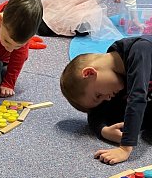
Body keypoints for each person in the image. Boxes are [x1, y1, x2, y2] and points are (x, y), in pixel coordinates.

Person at [60, 35, 152, 164]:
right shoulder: (113, 80)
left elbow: (138, 98)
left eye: (98, 95)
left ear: (89, 73)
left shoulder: (140, 49)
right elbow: (95, 113)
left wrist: (125, 148)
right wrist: (103, 131)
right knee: (116, 113)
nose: (107, 97)